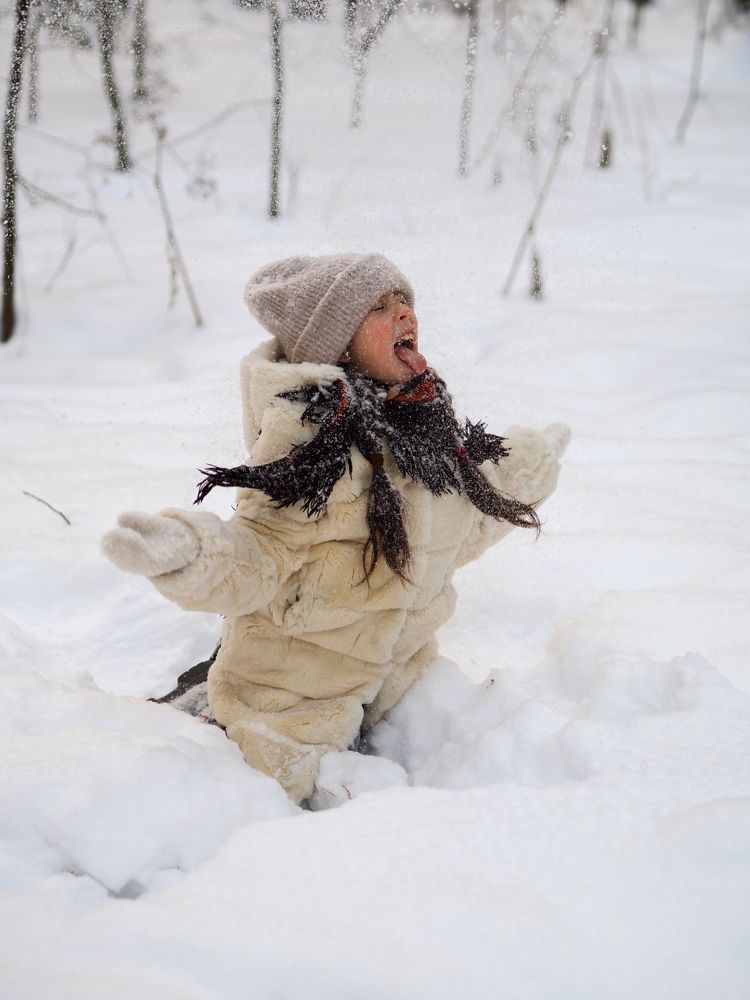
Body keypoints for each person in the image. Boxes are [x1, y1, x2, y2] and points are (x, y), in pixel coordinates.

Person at [102, 253, 570, 805]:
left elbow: (462, 522)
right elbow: (258, 551)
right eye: (379, 308)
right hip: (293, 699)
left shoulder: (421, 432)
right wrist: (192, 554)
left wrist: (528, 466)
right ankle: (203, 715)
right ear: (340, 346)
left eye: (404, 302)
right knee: (268, 802)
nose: (404, 314)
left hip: (392, 685)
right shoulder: (312, 445)